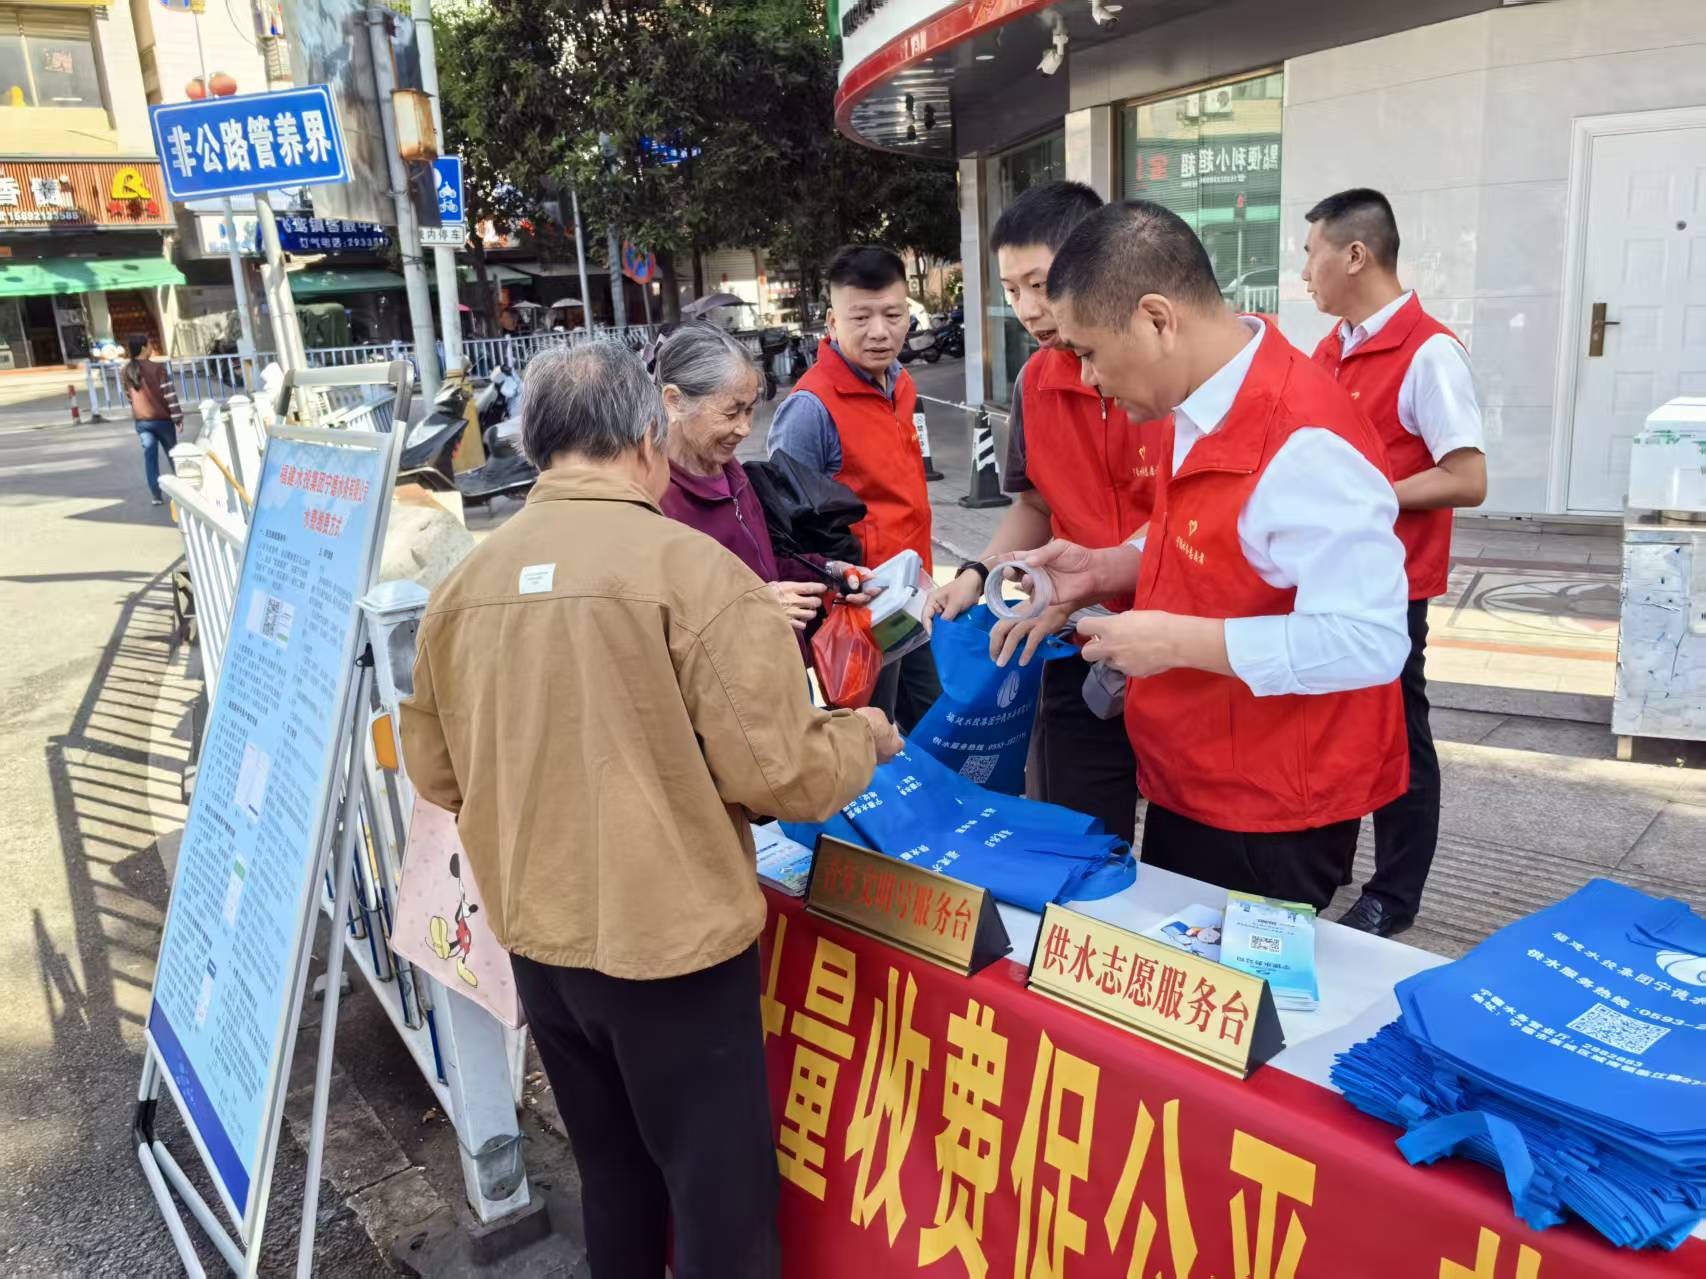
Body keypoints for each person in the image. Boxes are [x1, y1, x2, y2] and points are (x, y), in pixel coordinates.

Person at [399, 341, 902, 1279]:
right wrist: (862, 737)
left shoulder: (464, 585)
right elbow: (783, 775)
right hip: (672, 949)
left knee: (613, 1175)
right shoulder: (692, 573)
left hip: (541, 940)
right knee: (720, 1200)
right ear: (645, 439)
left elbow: (436, 769)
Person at [1012, 200, 1411, 912]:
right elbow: (1206, 537)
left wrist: (1171, 641)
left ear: (1156, 320)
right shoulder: (1198, 403)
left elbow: (1369, 639)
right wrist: (1107, 567)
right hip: (1196, 774)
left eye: (1089, 352)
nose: (1088, 378)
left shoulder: (1304, 441)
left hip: (1271, 808)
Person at [925, 181, 1162, 844]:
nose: (1029, 309)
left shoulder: (1171, 376)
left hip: (1177, 642)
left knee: (1187, 856)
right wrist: (978, 572)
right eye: (1011, 289)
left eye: (1040, 283)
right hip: (1071, 640)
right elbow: (1034, 502)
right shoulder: (1034, 382)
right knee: (1080, 835)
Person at [1303, 188, 1486, 937]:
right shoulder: (1330, 349)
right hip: (1324, 577)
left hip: (1391, 584)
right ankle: (1327, 869)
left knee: (1398, 735)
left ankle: (1394, 893)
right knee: (1334, 727)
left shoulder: (1429, 352)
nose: (1304, 272)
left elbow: (1467, 477)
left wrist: (1368, 497)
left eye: (1311, 254)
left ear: (1355, 255)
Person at [768, 244, 942, 731]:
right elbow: (787, 528)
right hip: (857, 614)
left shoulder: (900, 383)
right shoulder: (810, 409)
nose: (880, 331)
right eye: (861, 317)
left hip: (912, 595)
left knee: (929, 726)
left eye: (893, 314)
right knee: (867, 740)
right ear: (831, 321)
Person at [653, 322, 833, 645]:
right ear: (675, 401)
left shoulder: (731, 472)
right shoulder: (655, 497)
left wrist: (829, 571)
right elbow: (663, 620)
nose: (745, 429)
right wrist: (756, 606)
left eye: (749, 410)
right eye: (731, 413)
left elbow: (764, 568)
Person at [122, 336, 180, 506]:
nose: (151, 347)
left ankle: (156, 495)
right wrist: (177, 417)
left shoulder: (126, 370)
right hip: (162, 420)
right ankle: (183, 491)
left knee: (150, 458)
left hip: (142, 422)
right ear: (143, 348)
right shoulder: (158, 368)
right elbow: (169, 394)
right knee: (174, 455)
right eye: (149, 345)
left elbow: (129, 396)